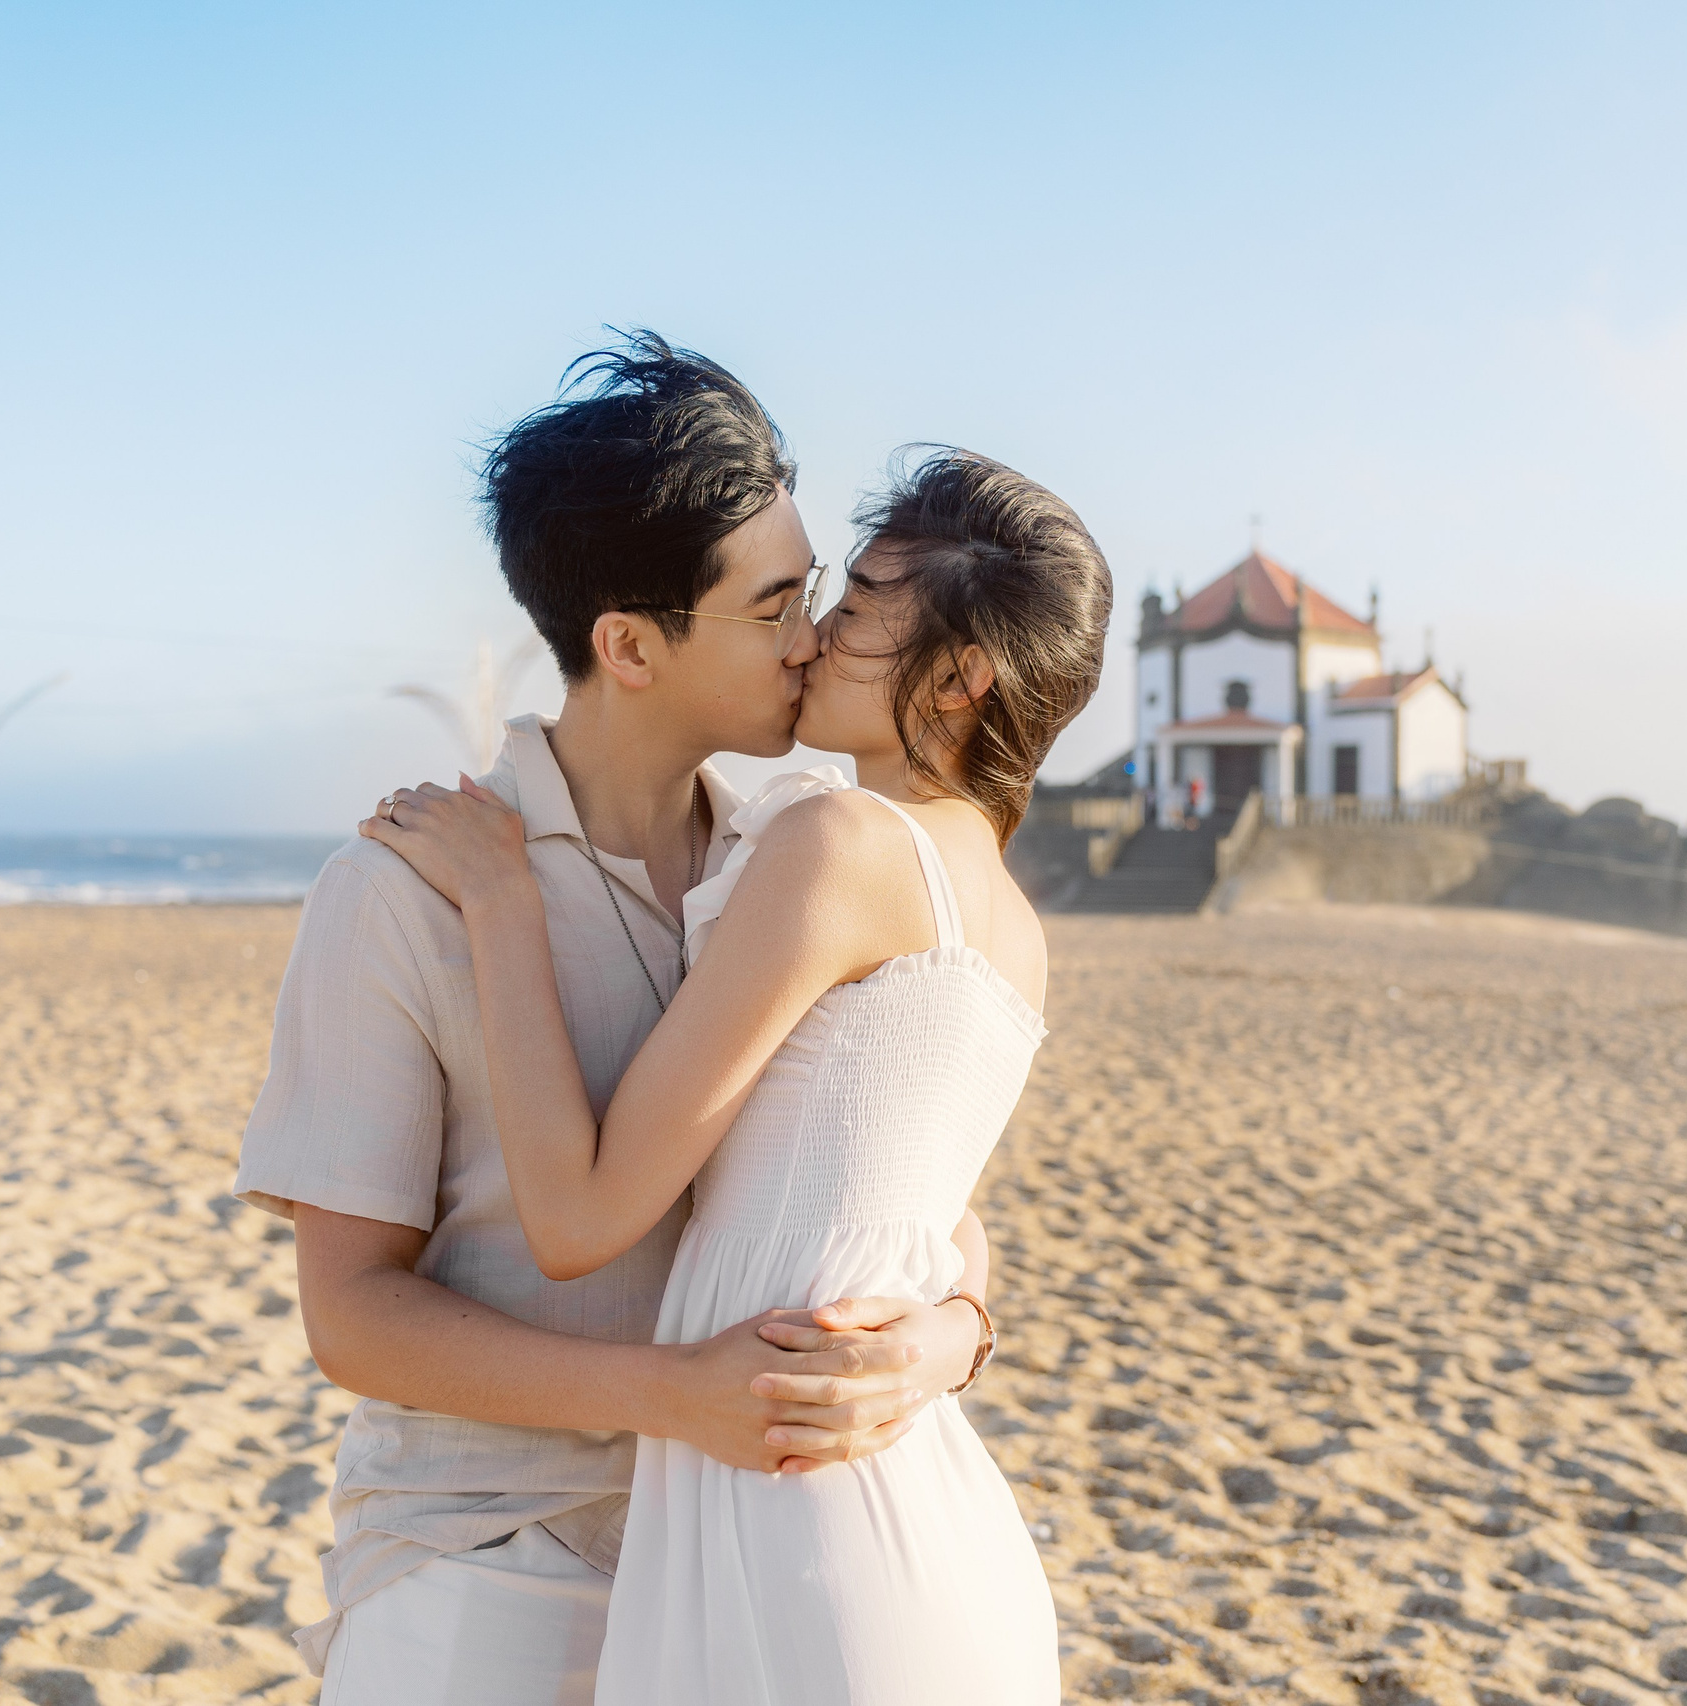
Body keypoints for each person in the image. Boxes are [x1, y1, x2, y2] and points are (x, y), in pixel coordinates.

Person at [232, 335, 994, 1706]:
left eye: (814, 593)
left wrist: (955, 1336)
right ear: (629, 644)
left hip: (753, 1563)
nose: (812, 639)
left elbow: (915, 1185)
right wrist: (668, 1391)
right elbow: (350, 1315)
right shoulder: (399, 894)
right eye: (772, 607)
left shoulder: (802, 866)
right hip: (488, 1561)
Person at [364, 446, 1111, 1703]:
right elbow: (910, 1208)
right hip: (910, 1511)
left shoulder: (839, 842)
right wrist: (957, 1327)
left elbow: (581, 1217)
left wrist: (501, 899)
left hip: (799, 1523)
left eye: (860, 606)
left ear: (964, 677)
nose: (813, 637)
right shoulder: (1012, 922)